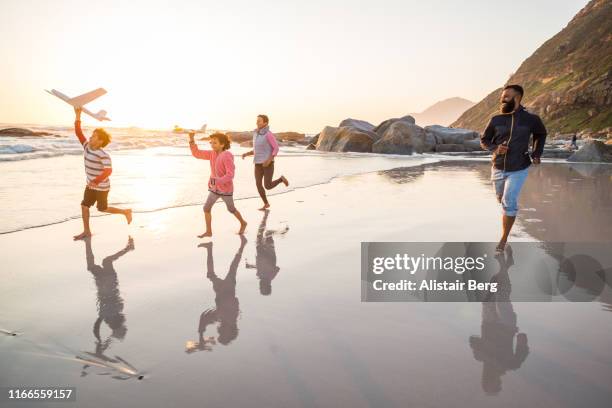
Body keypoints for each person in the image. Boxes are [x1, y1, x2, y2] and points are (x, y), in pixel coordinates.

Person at [480, 85, 547, 253]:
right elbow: (484, 140)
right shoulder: (496, 119)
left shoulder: (531, 119)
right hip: (497, 167)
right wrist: (494, 148)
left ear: (517, 98)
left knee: (509, 201)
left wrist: (536, 153)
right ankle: (508, 215)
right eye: (502, 96)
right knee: (501, 199)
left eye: (506, 97)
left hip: (519, 166)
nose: (502, 99)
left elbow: (541, 134)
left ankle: (503, 239)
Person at [73, 108, 132, 240]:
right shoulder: (86, 146)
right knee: (84, 206)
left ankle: (125, 212)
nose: (90, 137)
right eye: (91, 135)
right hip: (91, 185)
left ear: (100, 141)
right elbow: (78, 132)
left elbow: (108, 171)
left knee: (102, 209)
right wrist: (78, 114)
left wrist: (96, 180)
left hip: (102, 187)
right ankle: (86, 231)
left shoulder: (103, 155)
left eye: (93, 136)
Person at [189, 131, 247, 237]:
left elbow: (230, 175)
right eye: (211, 142)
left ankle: (243, 223)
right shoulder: (212, 153)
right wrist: (192, 140)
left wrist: (217, 181)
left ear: (222, 144)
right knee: (206, 208)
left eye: (215, 143)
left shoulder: (227, 155)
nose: (212, 144)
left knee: (231, 209)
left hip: (225, 190)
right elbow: (197, 154)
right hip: (214, 189)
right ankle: (209, 231)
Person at [241, 114, 289, 210]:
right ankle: (266, 203)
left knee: (267, 186)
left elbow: (276, 148)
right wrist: (247, 153)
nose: (257, 122)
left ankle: (281, 179)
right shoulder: (255, 134)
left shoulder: (269, 134)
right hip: (257, 163)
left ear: (265, 123)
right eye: (257, 121)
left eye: (259, 121)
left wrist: (269, 159)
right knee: (258, 184)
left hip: (268, 164)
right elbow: (257, 149)